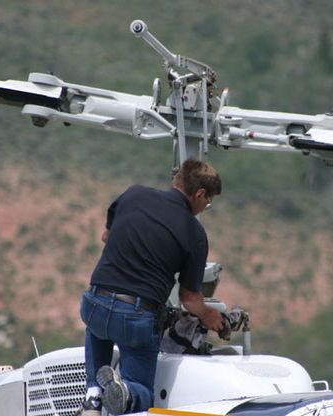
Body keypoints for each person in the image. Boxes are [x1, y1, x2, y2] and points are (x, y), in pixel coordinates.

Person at [76, 159, 225, 416]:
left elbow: (107, 236)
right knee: (142, 392)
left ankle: (93, 396)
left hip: (95, 300)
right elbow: (189, 298)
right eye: (207, 203)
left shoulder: (134, 194)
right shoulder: (195, 232)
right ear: (200, 194)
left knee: (99, 326)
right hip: (135, 316)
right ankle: (127, 393)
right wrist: (209, 315)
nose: (204, 208)